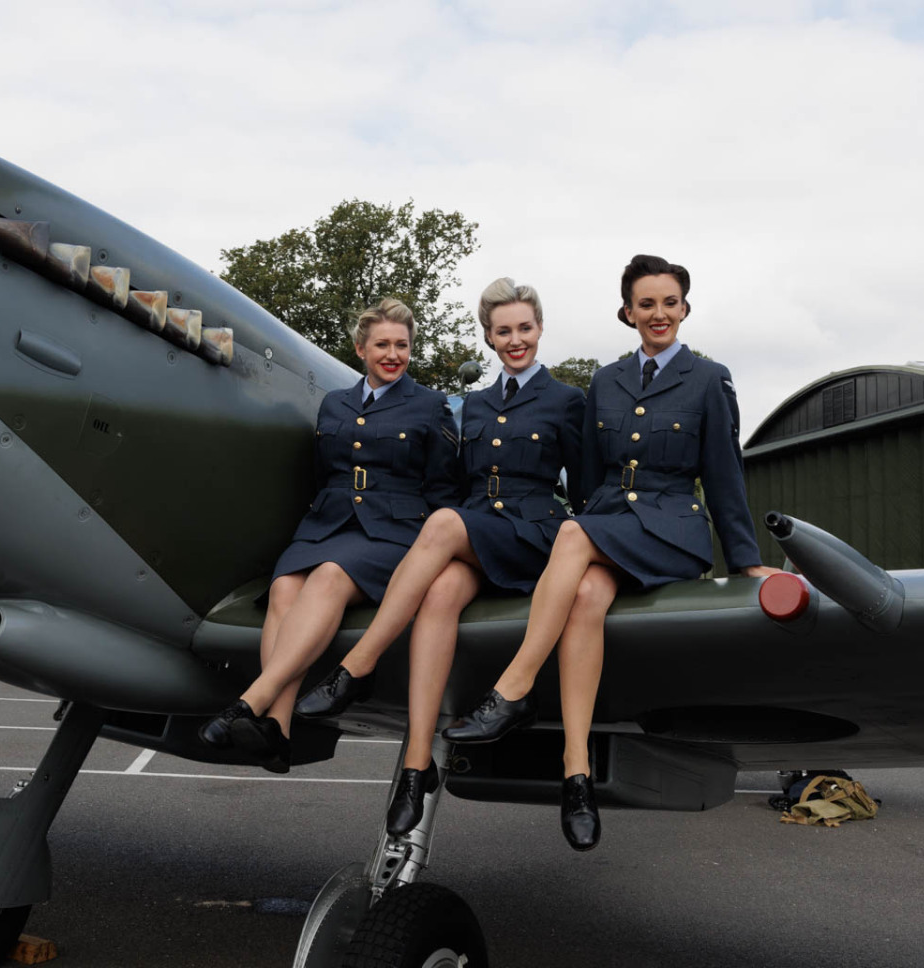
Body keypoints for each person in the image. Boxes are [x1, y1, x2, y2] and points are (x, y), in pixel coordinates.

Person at [443, 254, 782, 850]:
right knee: (586, 595)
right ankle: (577, 775)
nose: (659, 313)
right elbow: (589, 478)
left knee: (574, 535)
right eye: (646, 304)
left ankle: (513, 689)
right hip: (611, 525)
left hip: (673, 529)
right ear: (628, 313)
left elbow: (724, 475)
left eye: (669, 303)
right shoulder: (606, 381)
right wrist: (586, 538)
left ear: (685, 308)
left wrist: (743, 559)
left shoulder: (709, 378)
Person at [294, 277, 585, 835]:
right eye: (504, 331)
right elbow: (454, 481)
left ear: (540, 330)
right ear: (489, 338)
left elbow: (588, 490)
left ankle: (358, 665)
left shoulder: (567, 400)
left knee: (445, 522)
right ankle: (415, 766)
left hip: (533, 535)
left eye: (525, 328)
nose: (516, 340)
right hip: (479, 532)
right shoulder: (474, 405)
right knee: (440, 593)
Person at [199, 298, 461, 771]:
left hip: (393, 531)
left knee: (329, 578)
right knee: (284, 587)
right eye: (382, 344)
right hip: (328, 522)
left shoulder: (430, 405)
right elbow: (325, 473)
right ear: (361, 348)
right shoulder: (334, 402)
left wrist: (436, 556)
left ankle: (250, 702)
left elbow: (443, 488)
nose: (393, 354)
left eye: (402, 345)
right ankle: (278, 729)